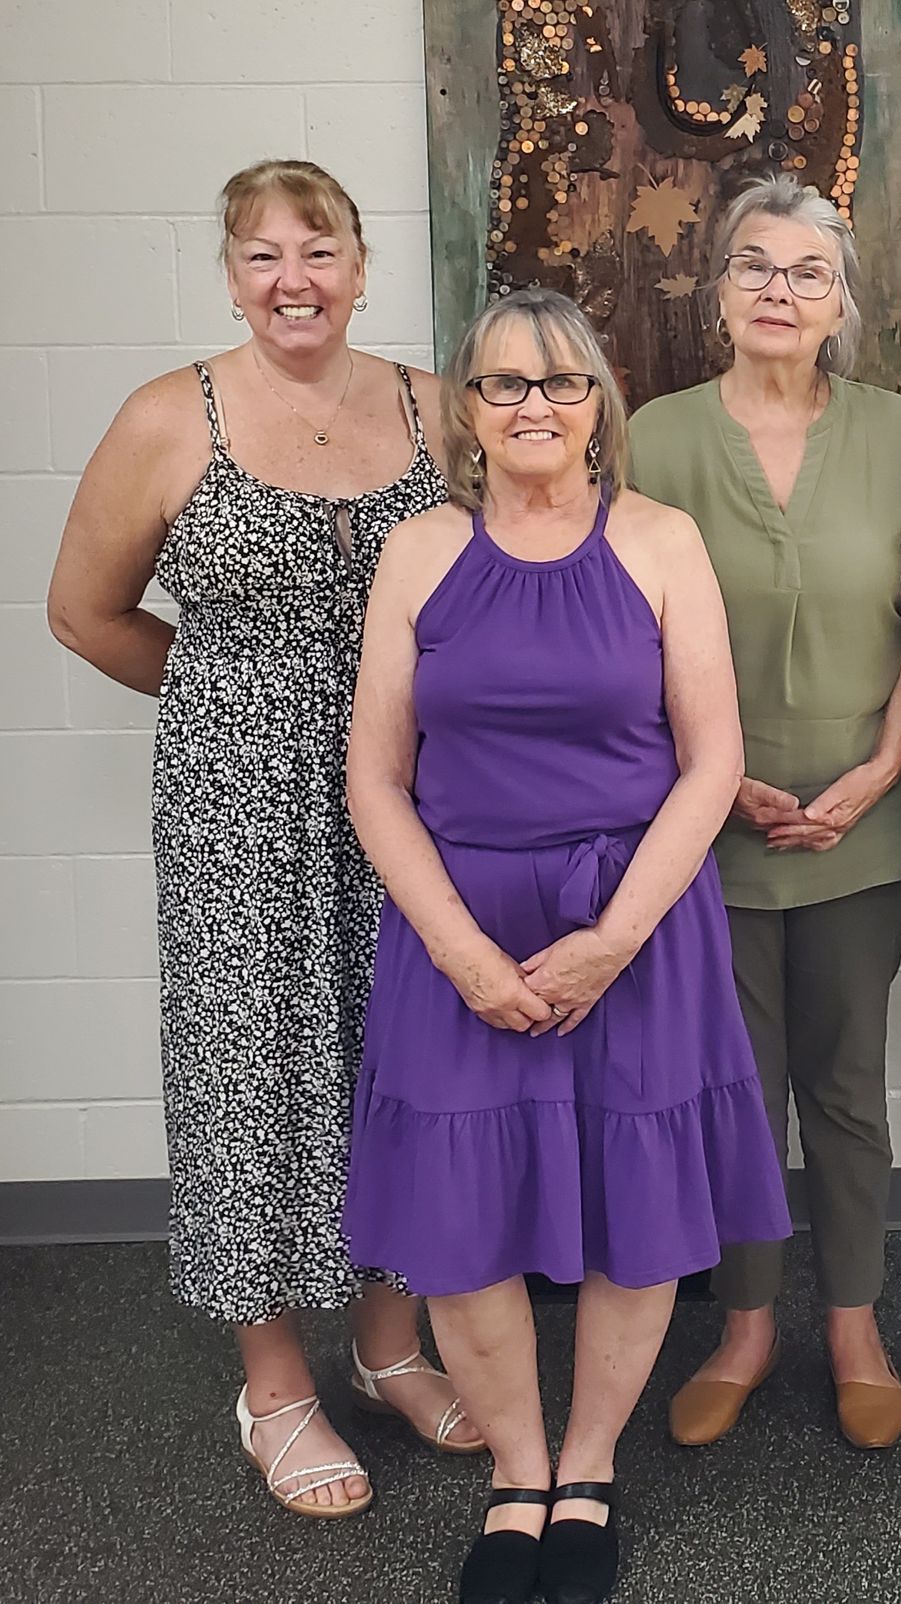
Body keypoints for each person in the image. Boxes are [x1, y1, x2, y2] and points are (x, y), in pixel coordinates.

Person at [341, 286, 790, 1604]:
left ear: (601, 405)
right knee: (463, 1226)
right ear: (468, 414)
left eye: (561, 383)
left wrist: (609, 941)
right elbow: (376, 779)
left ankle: (588, 1465)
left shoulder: (661, 540)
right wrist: (466, 954)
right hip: (456, 922)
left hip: (635, 922)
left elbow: (714, 766)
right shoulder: (419, 552)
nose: (534, 406)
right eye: (503, 385)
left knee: (633, 1218)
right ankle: (518, 1474)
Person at [45, 158, 479, 1518]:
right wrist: (239, 700)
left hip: (419, 785)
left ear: (361, 262)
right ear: (229, 273)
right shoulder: (171, 416)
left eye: (320, 251)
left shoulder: (434, 407)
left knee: (404, 1052)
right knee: (252, 1068)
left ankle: (390, 1342)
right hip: (242, 792)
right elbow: (85, 612)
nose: (295, 281)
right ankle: (276, 1383)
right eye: (262, 256)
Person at [626, 173, 901, 1452]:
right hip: (707, 821)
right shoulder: (651, 437)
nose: (778, 291)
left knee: (847, 1084)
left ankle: (855, 1322)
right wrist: (718, 780)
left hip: (861, 819)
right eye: (755, 266)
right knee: (739, 1088)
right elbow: (620, 634)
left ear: (840, 302)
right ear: (718, 293)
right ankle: (746, 1323)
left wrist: (881, 769)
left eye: (807, 272)